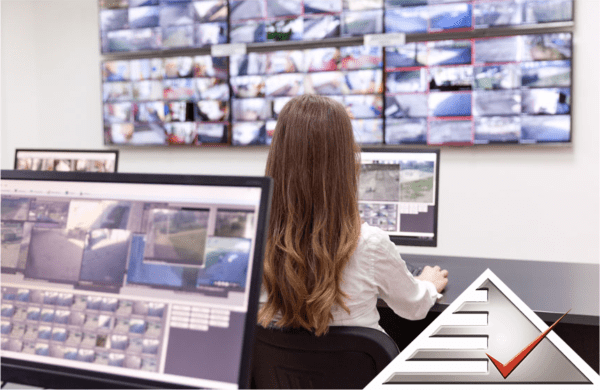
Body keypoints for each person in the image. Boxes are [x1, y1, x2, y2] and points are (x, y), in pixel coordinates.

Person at [259, 94, 448, 336]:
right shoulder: (369, 244)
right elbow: (414, 308)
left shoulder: (255, 243)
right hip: (361, 374)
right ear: (346, 162)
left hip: (280, 374)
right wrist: (429, 284)